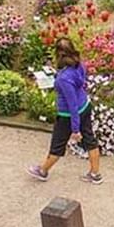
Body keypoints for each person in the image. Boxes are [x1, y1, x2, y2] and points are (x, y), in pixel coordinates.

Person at [27, 38, 103, 184]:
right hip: (85, 105)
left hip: (67, 115)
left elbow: (71, 104)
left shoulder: (64, 79)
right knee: (90, 139)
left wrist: (75, 129)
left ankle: (43, 170)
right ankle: (95, 174)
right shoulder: (79, 65)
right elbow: (78, 84)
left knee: (58, 144)